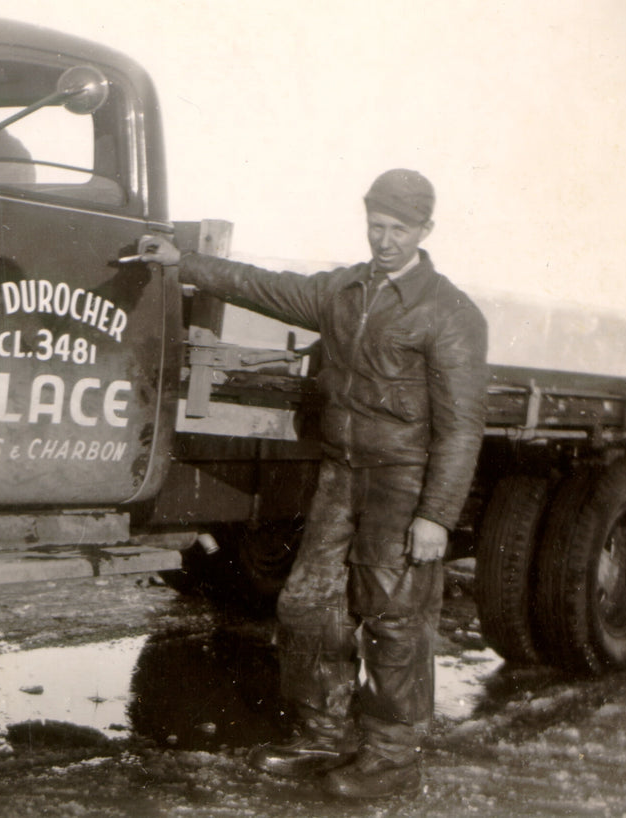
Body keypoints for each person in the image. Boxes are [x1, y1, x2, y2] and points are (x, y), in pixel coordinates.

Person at [137, 169, 488, 799]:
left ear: (426, 232)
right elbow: (263, 287)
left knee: (394, 618)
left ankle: (391, 756)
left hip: (403, 483)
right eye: (376, 226)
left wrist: (436, 515)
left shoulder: (449, 312)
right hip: (341, 475)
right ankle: (321, 735)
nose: (384, 241)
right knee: (307, 606)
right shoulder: (344, 291)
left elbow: (463, 427)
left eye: (398, 230)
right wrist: (181, 263)